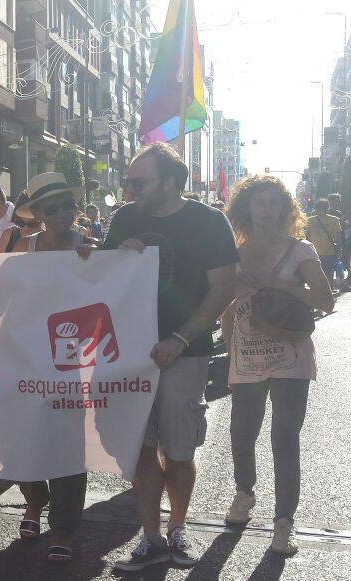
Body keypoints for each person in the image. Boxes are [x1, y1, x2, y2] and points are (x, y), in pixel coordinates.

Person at [99, 144, 238, 572]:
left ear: (170, 182)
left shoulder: (209, 222)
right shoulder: (124, 219)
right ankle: (151, 537)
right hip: (131, 354)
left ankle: (178, 528)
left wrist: (180, 337)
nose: (129, 190)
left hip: (184, 353)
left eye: (138, 182)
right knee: (140, 449)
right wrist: (116, 257)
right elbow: (98, 279)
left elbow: (223, 288)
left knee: (178, 450)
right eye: (128, 181)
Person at [221, 176, 334, 555]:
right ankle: (244, 494)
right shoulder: (233, 252)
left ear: (284, 208)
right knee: (241, 431)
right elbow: (222, 300)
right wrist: (224, 326)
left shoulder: (299, 249)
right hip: (247, 353)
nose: (266, 209)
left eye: (273, 202)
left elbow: (325, 298)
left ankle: (283, 522)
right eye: (259, 202)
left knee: (284, 437)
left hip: (290, 354)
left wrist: (280, 285)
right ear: (246, 209)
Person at [1, 174, 96, 564]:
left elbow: (114, 293)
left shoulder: (91, 248)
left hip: (72, 364)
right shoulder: (22, 248)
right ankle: (34, 501)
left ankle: (64, 529)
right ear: (37, 214)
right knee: (22, 443)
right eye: (51, 208)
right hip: (25, 360)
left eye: (67, 206)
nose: (62, 214)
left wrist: (126, 255)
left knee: (68, 448)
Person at [305, 199, 342, 290]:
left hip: (328, 253)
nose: (321, 210)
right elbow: (307, 236)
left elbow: (338, 238)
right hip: (314, 253)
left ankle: (327, 292)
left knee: (328, 274)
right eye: (320, 208)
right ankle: (319, 292)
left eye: (323, 208)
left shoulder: (334, 220)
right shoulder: (310, 220)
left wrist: (339, 250)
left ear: (327, 208)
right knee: (317, 275)